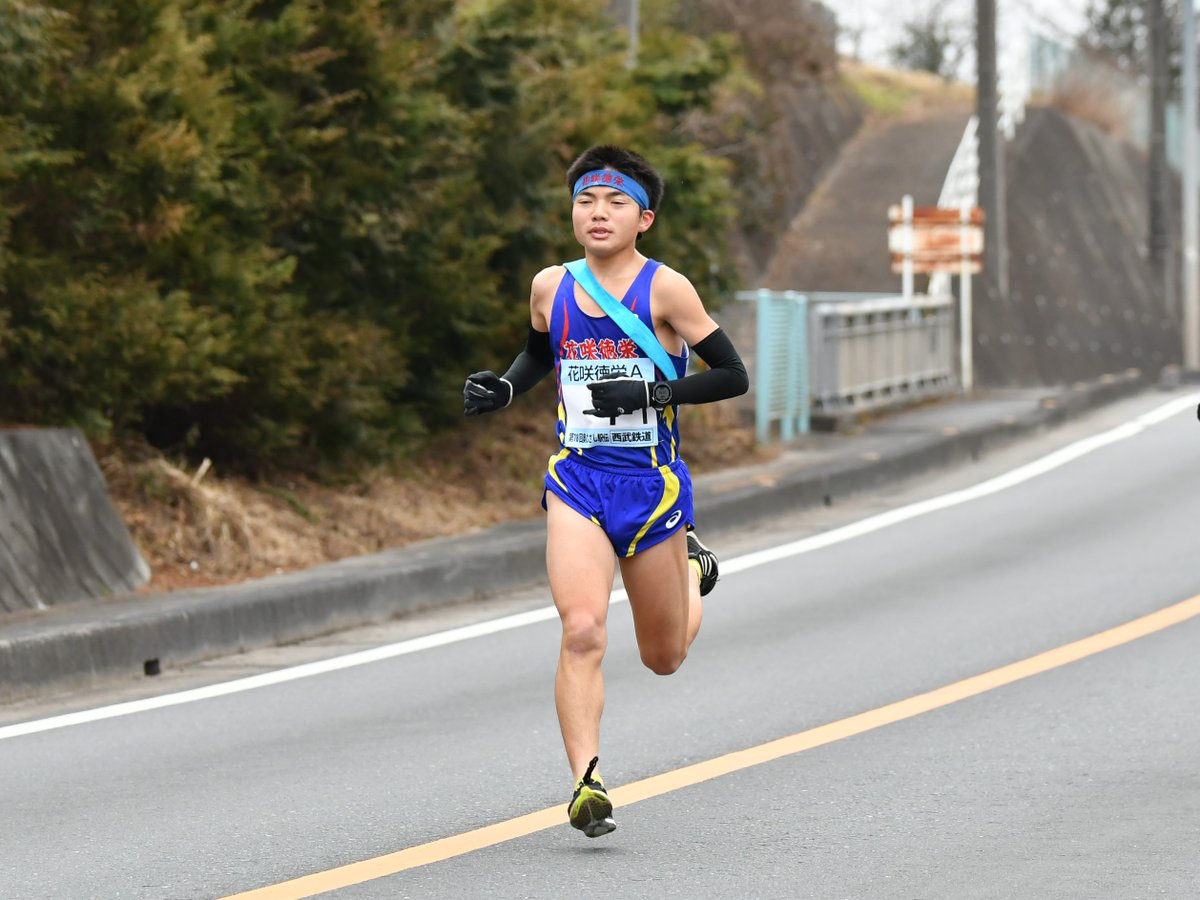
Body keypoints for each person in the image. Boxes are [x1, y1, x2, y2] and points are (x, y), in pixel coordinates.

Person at [462, 144, 748, 837]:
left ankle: (686, 566)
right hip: (577, 481)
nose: (597, 213)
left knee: (664, 656)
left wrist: (652, 390)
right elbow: (538, 353)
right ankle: (586, 782)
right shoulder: (549, 286)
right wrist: (504, 387)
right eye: (586, 201)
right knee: (583, 628)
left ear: (643, 219)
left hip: (650, 488)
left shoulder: (666, 290)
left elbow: (732, 374)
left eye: (615, 203)